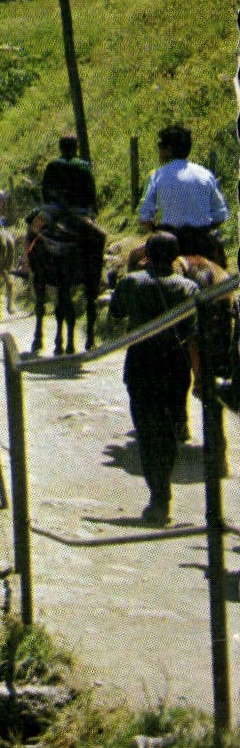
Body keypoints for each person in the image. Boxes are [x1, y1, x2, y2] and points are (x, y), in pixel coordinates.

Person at [107, 231, 198, 526]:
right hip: (176, 366)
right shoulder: (189, 287)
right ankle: (164, 494)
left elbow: (116, 315)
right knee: (170, 431)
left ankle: (158, 496)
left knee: (146, 432)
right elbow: (190, 330)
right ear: (175, 257)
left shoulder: (132, 282)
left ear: (147, 255)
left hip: (141, 365)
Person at [138, 125, 230, 262]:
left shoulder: (156, 176)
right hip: (201, 244)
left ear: (168, 149)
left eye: (160, 146)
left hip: (168, 246)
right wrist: (201, 230)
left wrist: (156, 231)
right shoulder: (205, 174)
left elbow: (145, 217)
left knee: (134, 258)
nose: (158, 150)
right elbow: (221, 216)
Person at [41, 134, 97, 215]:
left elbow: (46, 190)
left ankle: (31, 228)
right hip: (82, 209)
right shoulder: (84, 165)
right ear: (76, 148)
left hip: (58, 209)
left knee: (34, 222)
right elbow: (91, 190)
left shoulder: (53, 165)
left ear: (60, 148)